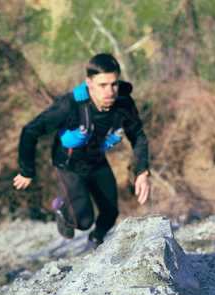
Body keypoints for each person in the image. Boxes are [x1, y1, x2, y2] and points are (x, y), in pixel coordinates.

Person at [13, 53, 150, 249]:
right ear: (89, 82)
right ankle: (61, 207)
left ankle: (96, 240)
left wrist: (143, 172)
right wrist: (27, 171)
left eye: (114, 84)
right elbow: (30, 130)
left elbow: (138, 136)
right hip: (68, 165)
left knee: (110, 214)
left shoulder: (124, 104)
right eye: (102, 85)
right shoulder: (70, 105)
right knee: (83, 220)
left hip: (96, 161)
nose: (110, 91)